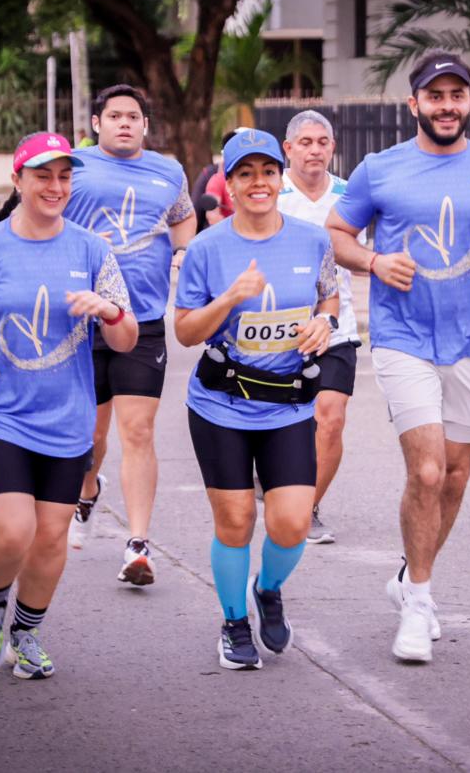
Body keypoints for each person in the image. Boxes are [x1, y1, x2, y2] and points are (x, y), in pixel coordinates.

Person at [326, 51, 470, 663]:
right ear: (413, 103)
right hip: (404, 338)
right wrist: (372, 261)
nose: (447, 105)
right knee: (425, 471)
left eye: (457, 95)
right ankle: (419, 602)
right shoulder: (380, 169)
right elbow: (337, 233)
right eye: (434, 95)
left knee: (456, 475)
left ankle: (407, 574)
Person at [0, 132, 138, 680]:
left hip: (67, 421)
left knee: (50, 537)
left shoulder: (91, 249)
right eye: (43, 175)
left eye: (64, 176)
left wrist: (109, 312)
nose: (55, 186)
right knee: (14, 530)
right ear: (17, 181)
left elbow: (128, 337)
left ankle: (28, 631)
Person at [174, 128, 338, 670]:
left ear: (280, 176)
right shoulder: (206, 247)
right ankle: (233, 623)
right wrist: (230, 298)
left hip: (289, 403)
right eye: (246, 173)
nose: (259, 182)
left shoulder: (313, 241)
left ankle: (267, 589)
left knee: (290, 522)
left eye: (268, 171)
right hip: (221, 405)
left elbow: (328, 294)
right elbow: (185, 331)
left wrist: (325, 321)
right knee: (236, 520)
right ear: (230, 183)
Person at [61, 85, 196, 586]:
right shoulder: (72, 165)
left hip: (142, 321)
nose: (124, 123)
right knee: (90, 435)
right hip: (79, 322)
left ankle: (138, 545)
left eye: (133, 116)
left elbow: (184, 217)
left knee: (137, 431)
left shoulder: (169, 171)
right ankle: (87, 490)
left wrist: (183, 251)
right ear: (96, 122)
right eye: (114, 115)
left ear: (144, 124)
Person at [278, 110, 357, 544]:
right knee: (287, 422)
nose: (314, 150)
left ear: (332, 147)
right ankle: (277, 484)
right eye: (305, 142)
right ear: (288, 148)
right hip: (277, 331)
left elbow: (366, 257)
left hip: (335, 326)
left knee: (331, 417)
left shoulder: (348, 196)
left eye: (322, 142)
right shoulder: (271, 192)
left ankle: (307, 507)